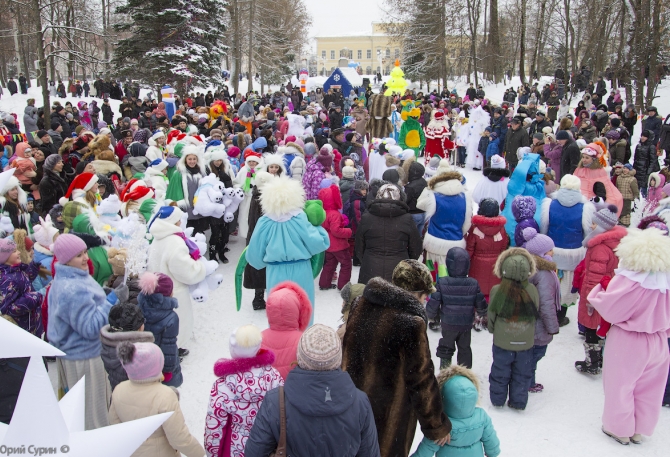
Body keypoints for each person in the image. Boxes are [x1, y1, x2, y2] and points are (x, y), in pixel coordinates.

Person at [343, 260, 451, 457]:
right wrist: (436, 425)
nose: (425, 300)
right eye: (424, 295)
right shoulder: (411, 324)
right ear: (414, 293)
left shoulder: (360, 304)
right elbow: (421, 380)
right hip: (387, 417)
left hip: (351, 407)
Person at [246, 324, 380, 457]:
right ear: (338, 358)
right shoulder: (360, 402)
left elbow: (254, 453)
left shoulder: (275, 401)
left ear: (300, 356)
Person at [589, 226, 670, 445]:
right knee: (650, 388)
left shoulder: (631, 280)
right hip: (660, 341)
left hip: (629, 339)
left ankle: (619, 429)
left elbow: (612, 309)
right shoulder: (666, 281)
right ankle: (640, 428)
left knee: (620, 386)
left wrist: (597, 293)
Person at [48, 234, 128, 429]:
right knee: (93, 413)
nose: (85, 258)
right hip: (84, 359)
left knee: (88, 409)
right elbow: (90, 328)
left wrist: (103, 296)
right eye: (78, 255)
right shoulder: (72, 288)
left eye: (85, 252)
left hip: (79, 356)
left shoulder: (72, 277)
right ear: (66, 259)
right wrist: (110, 302)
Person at [246, 177, 330, 322]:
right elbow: (319, 243)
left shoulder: (264, 222)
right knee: (303, 313)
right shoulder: (300, 218)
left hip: (275, 272)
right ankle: (303, 342)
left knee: (279, 314)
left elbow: (254, 257)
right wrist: (318, 229)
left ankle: (281, 343)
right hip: (301, 270)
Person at [109, 342, 206, 457]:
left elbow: (114, 425)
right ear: (156, 366)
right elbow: (179, 438)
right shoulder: (165, 396)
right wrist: (199, 453)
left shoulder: (119, 390)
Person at [205, 325, 282, 457]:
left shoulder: (222, 386)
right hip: (267, 447)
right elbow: (282, 412)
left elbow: (214, 425)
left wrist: (212, 452)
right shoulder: (274, 376)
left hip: (236, 448)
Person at [147, 206, 212, 351]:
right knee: (177, 323)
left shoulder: (157, 239)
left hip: (157, 290)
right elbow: (186, 271)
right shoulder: (175, 242)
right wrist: (200, 268)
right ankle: (174, 350)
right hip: (174, 292)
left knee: (164, 323)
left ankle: (168, 347)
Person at [575, 205, 627, 375]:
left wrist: (590, 300)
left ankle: (592, 363)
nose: (591, 226)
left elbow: (595, 276)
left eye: (594, 224)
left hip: (597, 292)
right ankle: (601, 360)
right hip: (608, 289)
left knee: (591, 328)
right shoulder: (614, 243)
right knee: (602, 327)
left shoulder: (599, 247)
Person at [488, 248, 539, 410]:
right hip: (525, 344)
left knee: (500, 371)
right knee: (522, 374)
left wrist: (492, 330)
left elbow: (491, 315)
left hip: (502, 342)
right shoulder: (532, 290)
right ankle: (518, 402)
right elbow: (536, 311)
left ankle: (497, 399)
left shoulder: (497, 291)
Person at [411, 366, 500, 457]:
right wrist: (492, 453)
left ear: (442, 397)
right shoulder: (482, 417)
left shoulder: (441, 426)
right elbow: (490, 439)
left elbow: (426, 450)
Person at [427, 247, 487, 369]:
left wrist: (431, 315)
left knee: (446, 348)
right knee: (464, 349)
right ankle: (464, 374)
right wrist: (482, 313)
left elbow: (434, 302)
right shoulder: (473, 283)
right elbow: (480, 303)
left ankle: (445, 371)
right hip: (465, 325)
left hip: (448, 324)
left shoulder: (443, 282)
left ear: (449, 265)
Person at [355, 182, 422, 284]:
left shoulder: (367, 218)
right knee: (396, 298)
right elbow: (416, 247)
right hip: (398, 269)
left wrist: (367, 259)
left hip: (371, 267)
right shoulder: (406, 219)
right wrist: (407, 261)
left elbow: (359, 245)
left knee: (371, 298)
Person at [521, 228, 560, 394]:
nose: (553, 251)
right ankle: (527, 382)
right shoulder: (543, 274)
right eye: (550, 249)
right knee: (535, 353)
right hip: (537, 324)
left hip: (527, 320)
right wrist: (552, 327)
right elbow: (546, 303)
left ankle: (526, 380)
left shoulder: (529, 267)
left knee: (530, 354)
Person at [417, 171, 472, 280]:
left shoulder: (433, 196)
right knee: (450, 272)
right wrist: (458, 232)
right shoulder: (465, 197)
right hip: (455, 241)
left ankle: (432, 293)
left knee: (432, 272)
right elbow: (467, 224)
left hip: (434, 240)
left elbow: (419, 204)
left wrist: (428, 188)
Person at [137, 271, 183, 387]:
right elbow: (169, 347)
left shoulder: (140, 308)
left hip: (145, 362)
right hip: (162, 366)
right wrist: (167, 371)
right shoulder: (171, 318)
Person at [259, 281, 312, 380]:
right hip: (292, 392)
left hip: (268, 393)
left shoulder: (258, 338)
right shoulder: (303, 341)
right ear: (298, 310)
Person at [99, 302, 154, 391]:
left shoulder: (109, 346)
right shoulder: (136, 356)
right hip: (136, 398)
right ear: (139, 328)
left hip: (118, 395)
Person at [465, 198, 509, 303]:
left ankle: (478, 312)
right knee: (492, 291)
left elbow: (470, 248)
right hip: (495, 265)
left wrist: (467, 263)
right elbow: (504, 248)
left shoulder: (475, 228)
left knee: (477, 290)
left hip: (477, 265)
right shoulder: (502, 229)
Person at [0, 238, 43, 336]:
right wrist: (34, 297)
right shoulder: (7, 279)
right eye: (14, 251)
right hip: (24, 327)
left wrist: (35, 265)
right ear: (4, 257)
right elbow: (9, 308)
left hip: (31, 322)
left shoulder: (15, 270)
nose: (19, 252)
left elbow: (25, 281)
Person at [318, 184, 353, 290]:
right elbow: (336, 230)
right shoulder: (334, 214)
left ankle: (324, 284)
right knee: (346, 263)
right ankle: (343, 285)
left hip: (328, 244)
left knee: (330, 264)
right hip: (338, 245)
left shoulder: (323, 213)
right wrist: (348, 231)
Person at [633, 130, 660, 198]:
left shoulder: (651, 147)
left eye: (645, 136)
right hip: (637, 170)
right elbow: (635, 158)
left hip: (645, 171)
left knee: (644, 190)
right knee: (636, 190)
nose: (642, 137)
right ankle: (637, 205)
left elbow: (653, 161)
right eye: (642, 136)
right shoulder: (638, 146)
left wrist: (648, 172)